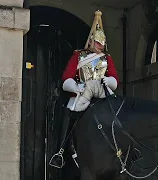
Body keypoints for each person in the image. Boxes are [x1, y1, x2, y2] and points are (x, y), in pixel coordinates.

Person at [49, 10, 119, 169]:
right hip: (82, 92)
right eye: (98, 42)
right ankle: (61, 151)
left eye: (103, 43)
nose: (101, 46)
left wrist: (108, 80)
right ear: (92, 41)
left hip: (102, 92)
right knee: (70, 116)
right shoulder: (78, 56)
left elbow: (114, 78)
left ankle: (126, 149)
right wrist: (76, 86)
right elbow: (66, 78)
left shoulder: (107, 58)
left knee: (119, 113)